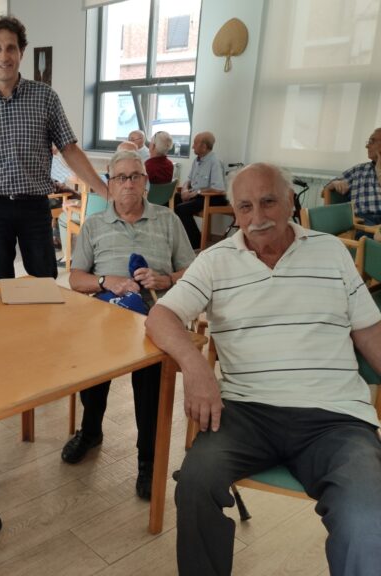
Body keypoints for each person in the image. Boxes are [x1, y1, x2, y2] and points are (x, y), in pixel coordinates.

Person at [145, 163, 381, 576]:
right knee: (196, 485)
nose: (258, 217)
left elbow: (370, 332)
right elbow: (160, 316)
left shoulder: (331, 252)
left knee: (367, 518)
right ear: (234, 212)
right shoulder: (215, 260)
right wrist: (196, 367)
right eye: (245, 207)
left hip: (335, 419)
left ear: (291, 201)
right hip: (245, 414)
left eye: (269, 201)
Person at [60, 150, 194, 501]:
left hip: (156, 316)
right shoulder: (94, 224)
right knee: (92, 362)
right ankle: (91, 431)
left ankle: (147, 459)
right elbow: (76, 278)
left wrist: (165, 279)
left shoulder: (168, 220)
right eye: (121, 177)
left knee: (150, 378)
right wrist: (106, 281)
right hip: (107, 314)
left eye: (136, 176)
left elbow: (193, 271)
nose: (129, 184)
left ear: (146, 182)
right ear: (110, 183)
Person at [0, 16, 108, 282]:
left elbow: (69, 149)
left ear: (21, 52)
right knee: (1, 284)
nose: (4, 56)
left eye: (10, 48)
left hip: (34, 206)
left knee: (44, 281)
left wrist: (105, 191)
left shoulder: (45, 97)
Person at [174, 131, 226, 249]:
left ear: (204, 146)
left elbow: (218, 188)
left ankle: (196, 243)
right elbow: (189, 179)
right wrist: (185, 190)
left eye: (195, 143)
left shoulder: (215, 162)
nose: (192, 146)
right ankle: (182, 238)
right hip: (197, 195)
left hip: (214, 197)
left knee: (182, 209)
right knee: (174, 199)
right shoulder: (196, 160)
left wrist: (194, 193)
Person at [324, 127, 381, 225]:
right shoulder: (358, 170)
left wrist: (379, 170)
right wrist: (335, 183)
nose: (367, 146)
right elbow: (326, 189)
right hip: (364, 221)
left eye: (372, 141)